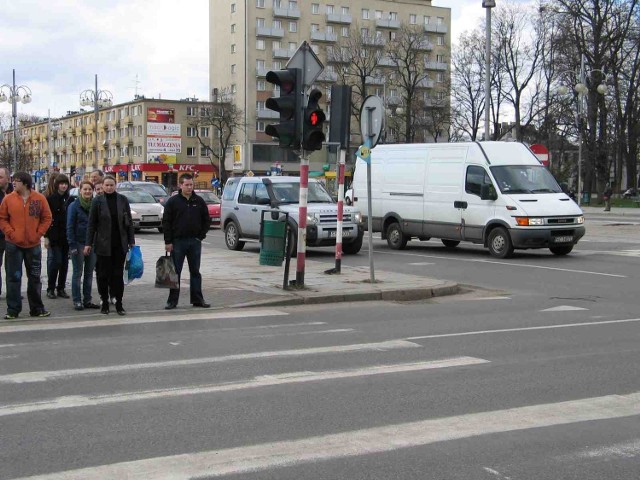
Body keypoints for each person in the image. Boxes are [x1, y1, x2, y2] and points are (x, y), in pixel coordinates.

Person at [0, 172, 52, 319]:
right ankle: (13, 310)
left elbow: (47, 218)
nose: (13, 183)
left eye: (16, 181)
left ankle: (37, 308)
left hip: (33, 244)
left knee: (35, 277)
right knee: (13, 277)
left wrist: (38, 234)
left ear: (25, 183)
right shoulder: (8, 199)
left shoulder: (39, 198)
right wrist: (11, 233)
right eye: (13, 181)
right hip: (13, 244)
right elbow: (2, 218)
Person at [84, 175, 135, 315]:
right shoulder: (98, 201)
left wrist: (131, 241)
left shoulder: (122, 200)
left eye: (111, 185)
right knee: (102, 275)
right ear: (103, 186)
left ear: (115, 185)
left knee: (118, 275)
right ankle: (105, 301)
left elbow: (129, 222)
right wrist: (88, 243)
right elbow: (91, 224)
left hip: (120, 244)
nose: (109, 187)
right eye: (106, 185)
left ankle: (119, 303)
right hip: (102, 245)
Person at [162, 173, 211, 310]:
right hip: (177, 242)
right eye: (187, 185)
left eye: (191, 185)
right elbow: (166, 222)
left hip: (194, 242)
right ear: (180, 185)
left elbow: (206, 220)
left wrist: (200, 236)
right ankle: (172, 301)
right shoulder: (173, 202)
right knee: (175, 272)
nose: (189, 187)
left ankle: (197, 299)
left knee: (195, 271)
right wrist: (168, 241)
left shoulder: (199, 201)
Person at [66, 181, 99, 311]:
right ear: (80, 190)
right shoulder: (74, 206)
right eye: (85, 189)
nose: (87, 192)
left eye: (89, 189)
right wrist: (72, 245)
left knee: (89, 273)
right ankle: (77, 300)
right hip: (78, 243)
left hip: (92, 244)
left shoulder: (95, 205)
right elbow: (69, 227)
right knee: (77, 273)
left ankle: (87, 300)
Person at [44, 174, 71, 299]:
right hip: (54, 236)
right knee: (56, 262)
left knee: (65, 263)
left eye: (65, 183)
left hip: (67, 236)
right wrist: (46, 236)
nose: (64, 186)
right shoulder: (51, 199)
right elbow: (47, 219)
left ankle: (61, 288)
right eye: (61, 183)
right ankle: (51, 288)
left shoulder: (69, 198)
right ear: (57, 185)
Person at [0, 167, 11, 298]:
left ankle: (12, 292)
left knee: (12, 267)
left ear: (8, 178)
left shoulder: (13, 193)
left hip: (10, 236)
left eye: (0, 177)